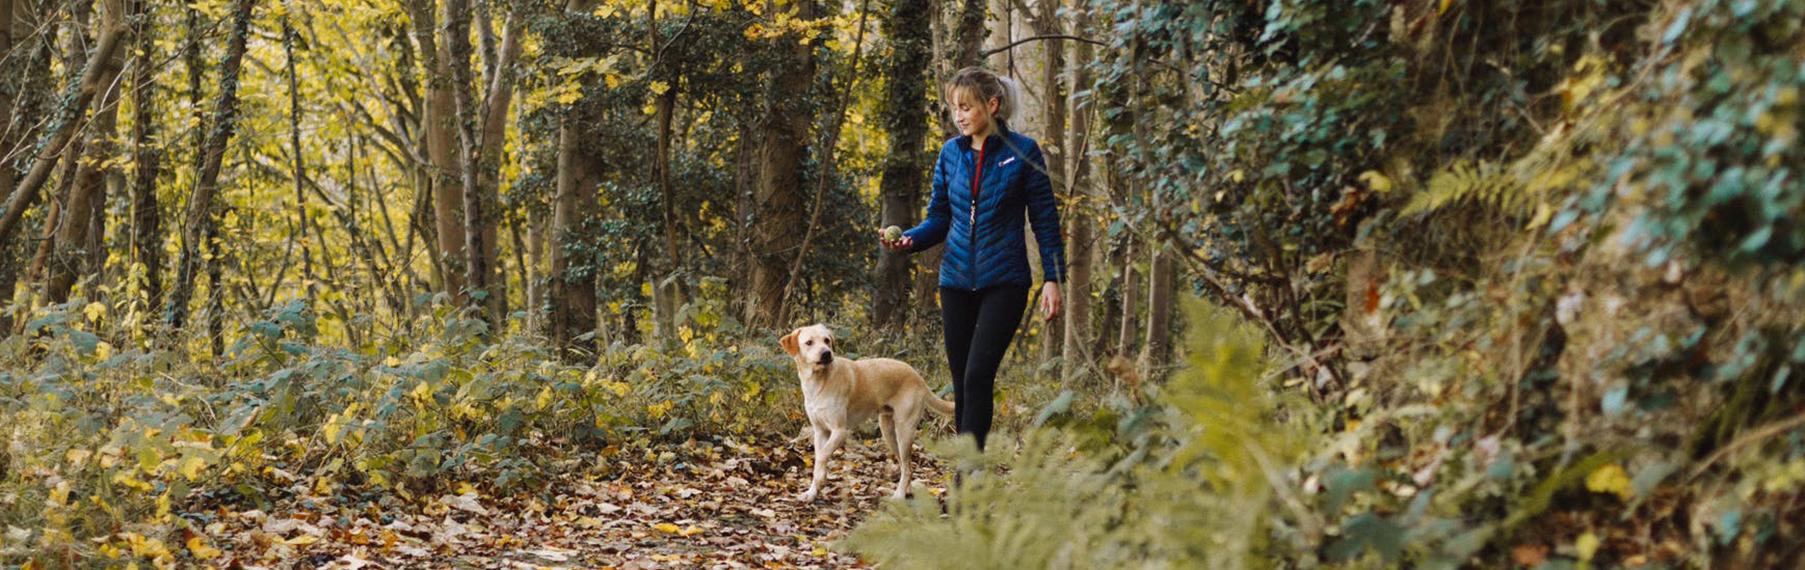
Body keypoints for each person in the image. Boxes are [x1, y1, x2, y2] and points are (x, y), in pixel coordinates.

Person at [879, 66, 1065, 454]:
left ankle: (969, 475)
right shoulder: (950, 154)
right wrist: (909, 240)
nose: (959, 115)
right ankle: (968, 470)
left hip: (1006, 281)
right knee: (963, 380)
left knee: (979, 375)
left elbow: (1044, 219)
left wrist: (1053, 277)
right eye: (954, 108)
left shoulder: (1023, 152)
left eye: (966, 107)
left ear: (992, 105)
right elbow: (940, 217)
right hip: (956, 282)